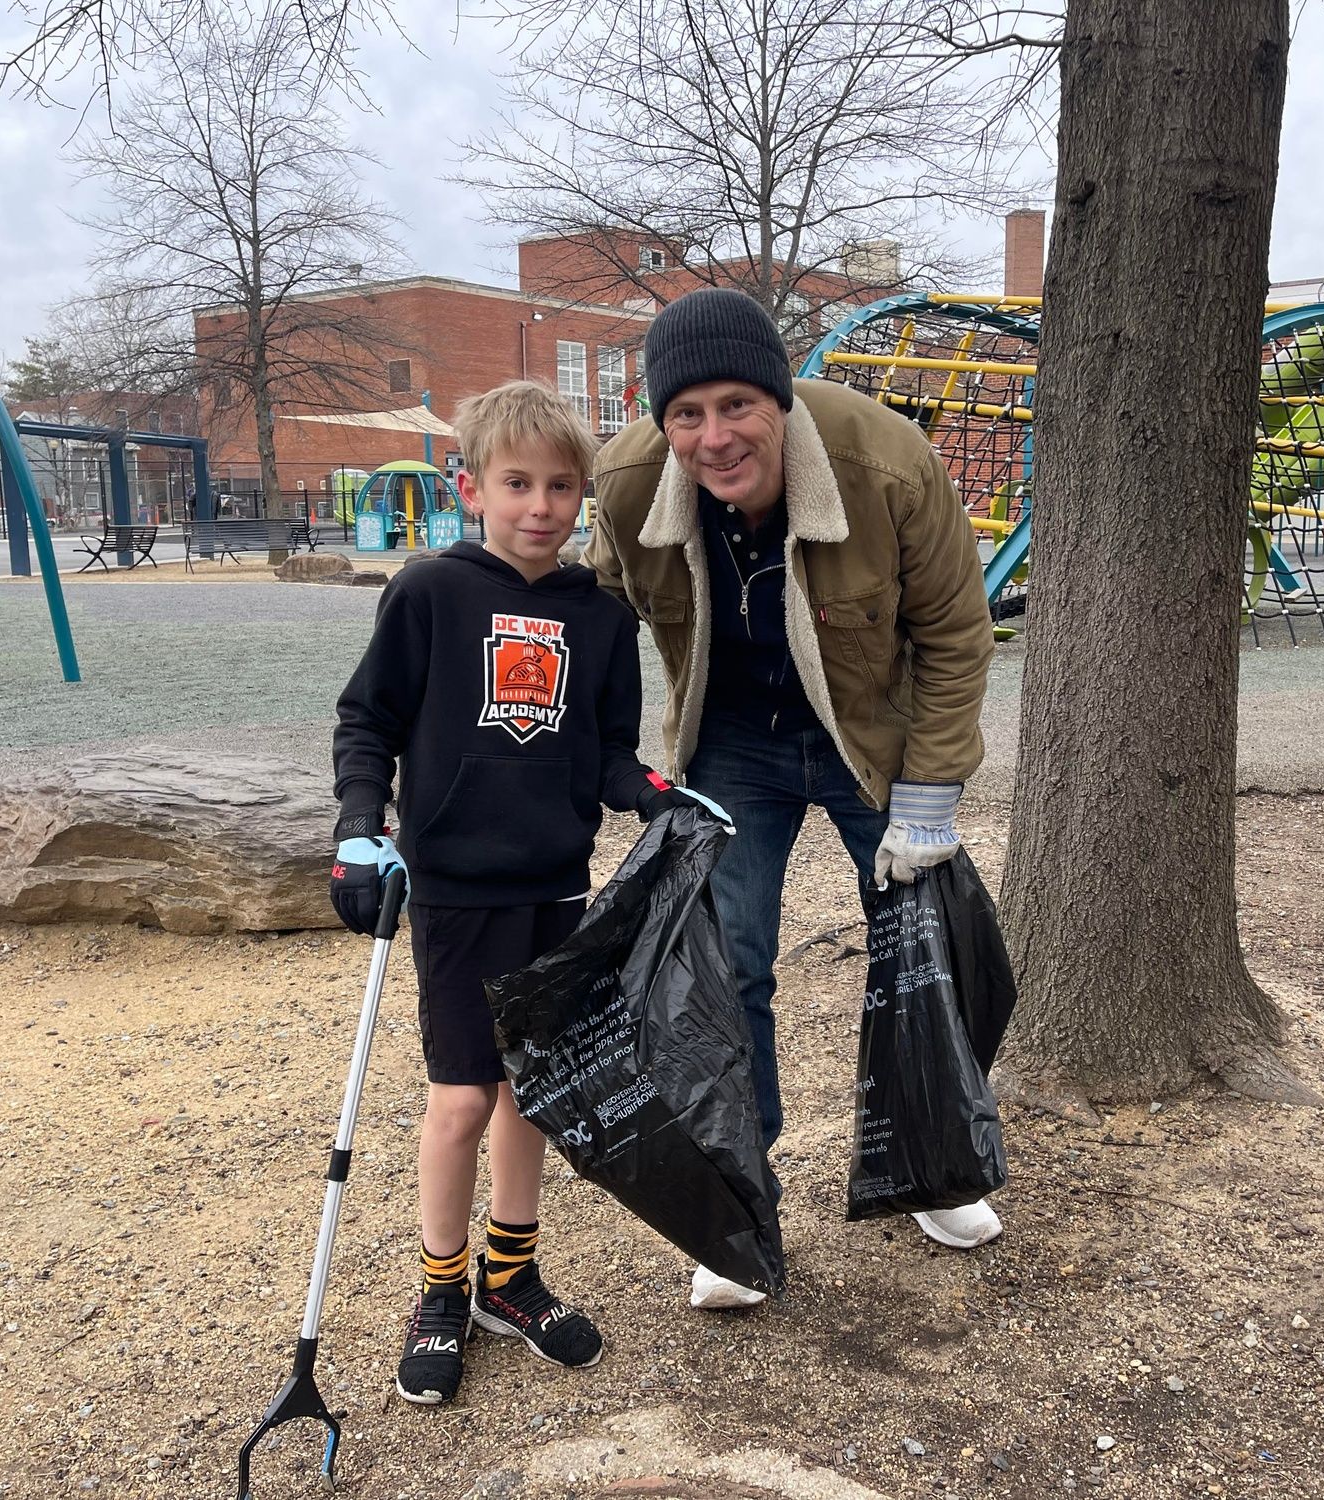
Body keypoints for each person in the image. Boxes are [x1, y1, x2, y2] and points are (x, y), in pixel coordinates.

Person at [588, 287, 1001, 1310]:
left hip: (871, 729)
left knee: (928, 947)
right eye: (686, 413)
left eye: (736, 406)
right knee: (724, 971)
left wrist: (930, 794)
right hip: (731, 741)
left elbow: (955, 634)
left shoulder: (887, 461)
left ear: (777, 398)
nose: (713, 437)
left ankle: (932, 1164)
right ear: (661, 419)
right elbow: (597, 617)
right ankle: (734, 1197)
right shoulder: (630, 480)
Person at [329, 380, 707, 1404]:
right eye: (516, 483)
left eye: (560, 487)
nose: (540, 506)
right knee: (460, 1098)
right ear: (473, 487)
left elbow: (605, 757)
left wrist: (657, 797)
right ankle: (440, 1286)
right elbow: (366, 720)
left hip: (553, 889)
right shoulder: (429, 593)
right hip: (454, 892)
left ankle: (510, 1274)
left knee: (528, 1095)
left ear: (582, 495)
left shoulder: (597, 615)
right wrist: (357, 831)